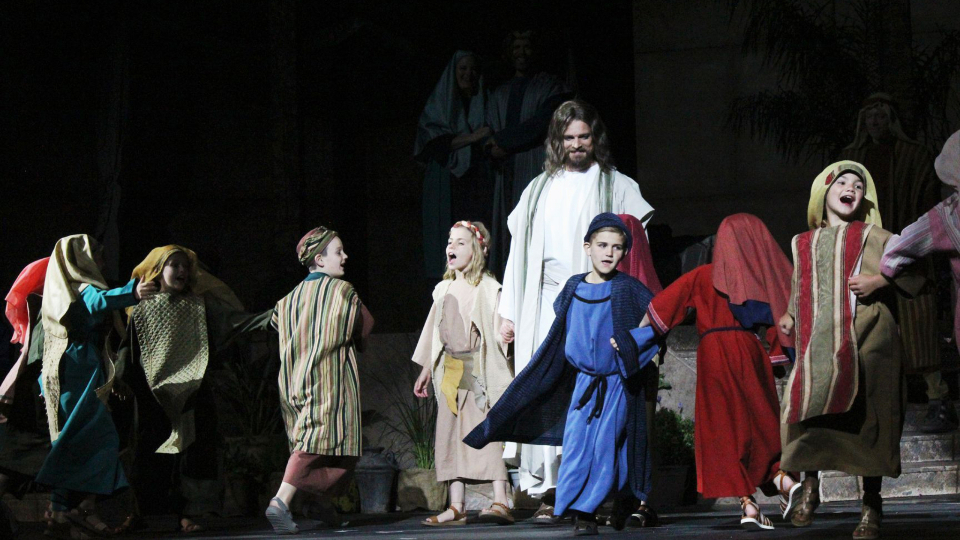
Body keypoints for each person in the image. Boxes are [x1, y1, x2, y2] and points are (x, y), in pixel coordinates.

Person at [497, 99, 653, 518]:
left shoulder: (616, 184)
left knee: (593, 394)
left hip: (598, 304)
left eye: (584, 136)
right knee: (548, 389)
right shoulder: (537, 190)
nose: (577, 144)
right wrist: (508, 311)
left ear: (594, 138)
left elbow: (638, 250)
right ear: (557, 141)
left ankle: (596, 486)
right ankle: (553, 490)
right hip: (545, 303)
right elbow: (518, 254)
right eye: (569, 138)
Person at [467, 213, 659, 536]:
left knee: (605, 448)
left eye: (616, 247)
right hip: (583, 383)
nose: (609, 253)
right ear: (587, 247)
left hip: (615, 384)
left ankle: (587, 512)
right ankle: (576, 505)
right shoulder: (574, 286)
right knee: (575, 447)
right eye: (602, 245)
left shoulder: (627, 288)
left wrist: (631, 341)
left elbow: (659, 319)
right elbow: (562, 325)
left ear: (625, 252)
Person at [777, 161, 924, 539]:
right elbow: (801, 285)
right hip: (820, 343)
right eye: (841, 182)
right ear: (823, 192)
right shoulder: (804, 242)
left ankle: (871, 505)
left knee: (870, 419)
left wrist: (879, 280)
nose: (850, 189)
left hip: (869, 339)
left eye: (858, 185)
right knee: (810, 413)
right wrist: (790, 315)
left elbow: (915, 269)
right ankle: (811, 487)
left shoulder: (876, 236)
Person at [639, 213, 797, 531]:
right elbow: (779, 318)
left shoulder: (704, 275)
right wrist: (777, 357)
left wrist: (637, 337)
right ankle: (784, 480)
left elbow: (662, 308)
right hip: (750, 352)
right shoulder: (758, 280)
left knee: (723, 429)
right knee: (760, 422)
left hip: (714, 354)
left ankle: (748, 504)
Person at [117, 245, 271, 533]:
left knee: (189, 454)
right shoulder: (143, 308)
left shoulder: (199, 305)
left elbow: (233, 322)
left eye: (185, 265)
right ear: (158, 271)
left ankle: (185, 513)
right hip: (153, 395)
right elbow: (130, 348)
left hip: (192, 391)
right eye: (174, 265)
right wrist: (121, 379)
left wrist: (271, 317)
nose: (182, 271)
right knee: (147, 452)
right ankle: (138, 512)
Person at [33, 235, 155, 539]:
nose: (102, 260)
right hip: (76, 371)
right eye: (97, 254)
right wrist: (132, 292)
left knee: (73, 441)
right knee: (97, 438)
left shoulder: (60, 292)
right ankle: (81, 508)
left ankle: (61, 511)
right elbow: (98, 301)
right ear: (81, 259)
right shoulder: (79, 290)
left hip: (74, 369)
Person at [840, 93, 948, 432]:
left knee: (918, 323)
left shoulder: (914, 155)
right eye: (869, 117)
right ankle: (868, 401)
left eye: (881, 116)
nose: (875, 123)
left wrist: (912, 241)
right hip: (864, 250)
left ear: (891, 120)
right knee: (868, 327)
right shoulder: (851, 158)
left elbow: (927, 200)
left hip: (910, 246)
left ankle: (938, 399)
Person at [264, 226, 374, 535]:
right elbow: (364, 325)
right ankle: (280, 502)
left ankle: (319, 503)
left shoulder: (285, 301)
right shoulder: (342, 291)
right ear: (319, 259)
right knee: (315, 444)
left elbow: (277, 327)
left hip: (293, 381)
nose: (345, 256)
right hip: (327, 378)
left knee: (325, 445)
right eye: (338, 252)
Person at [412, 221, 514, 526]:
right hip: (450, 371)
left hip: (478, 371)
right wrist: (426, 369)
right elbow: (434, 334)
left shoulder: (488, 288)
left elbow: (497, 327)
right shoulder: (442, 289)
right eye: (449, 241)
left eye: (460, 242)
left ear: (478, 250)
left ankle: (501, 498)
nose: (451, 247)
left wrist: (505, 333)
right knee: (449, 436)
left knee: (488, 432)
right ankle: (457, 505)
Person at [880, 129, 960, 429]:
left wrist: (886, 271)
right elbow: (898, 249)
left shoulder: (949, 214)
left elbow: (896, 251)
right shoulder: (949, 215)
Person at [486, 30, 573, 273]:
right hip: (505, 172)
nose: (521, 53)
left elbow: (541, 123)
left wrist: (501, 142)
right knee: (507, 230)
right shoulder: (500, 92)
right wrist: (491, 148)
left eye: (526, 47)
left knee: (534, 224)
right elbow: (488, 127)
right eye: (516, 47)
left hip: (533, 165)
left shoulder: (549, 86)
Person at [415, 51, 492, 278]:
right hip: (445, 180)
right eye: (463, 68)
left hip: (475, 180)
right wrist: (474, 137)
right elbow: (436, 144)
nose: (468, 74)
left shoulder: (484, 101)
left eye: (472, 69)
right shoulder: (439, 104)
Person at [1, 258, 52, 538]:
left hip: (36, 392)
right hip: (37, 394)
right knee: (25, 453)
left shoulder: (45, 304)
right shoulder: (45, 305)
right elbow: (37, 354)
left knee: (22, 455)